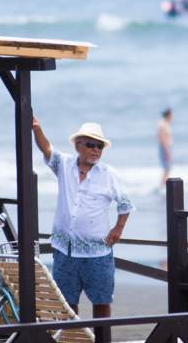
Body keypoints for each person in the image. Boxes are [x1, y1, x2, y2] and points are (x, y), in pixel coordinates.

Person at [32, 117, 134, 318]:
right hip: (65, 251)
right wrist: (37, 129)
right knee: (67, 304)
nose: (96, 149)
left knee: (102, 301)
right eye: (90, 144)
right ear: (78, 146)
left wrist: (118, 228)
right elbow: (46, 149)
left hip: (97, 253)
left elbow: (125, 203)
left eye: (100, 146)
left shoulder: (109, 174)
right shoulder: (64, 165)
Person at [157, 109, 173, 186]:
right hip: (165, 147)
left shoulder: (165, 123)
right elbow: (162, 138)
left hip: (166, 147)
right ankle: (163, 185)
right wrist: (167, 151)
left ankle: (163, 185)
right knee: (167, 168)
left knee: (167, 168)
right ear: (168, 115)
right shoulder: (163, 124)